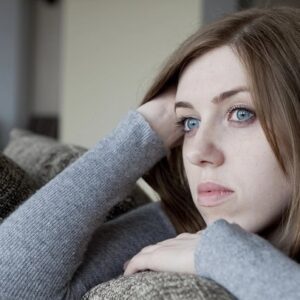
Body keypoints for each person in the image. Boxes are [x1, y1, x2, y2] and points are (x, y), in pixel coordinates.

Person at [0, 5, 299, 300]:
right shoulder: (176, 226)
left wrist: (224, 255)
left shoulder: (210, 244)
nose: (196, 152)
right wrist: (144, 131)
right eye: (189, 123)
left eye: (241, 114)